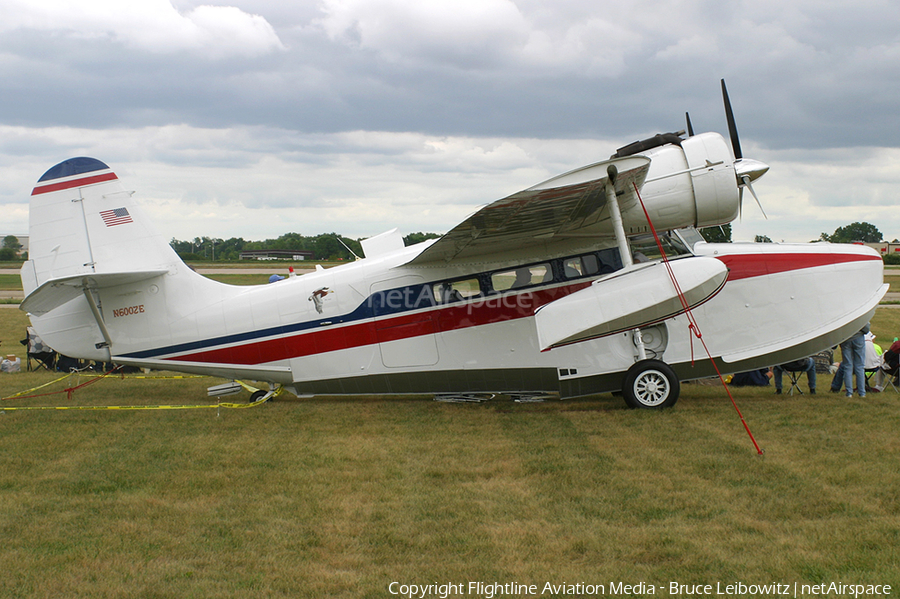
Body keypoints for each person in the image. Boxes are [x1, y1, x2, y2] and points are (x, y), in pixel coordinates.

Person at [843, 323, 870, 398]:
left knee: (847, 366)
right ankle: (862, 392)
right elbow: (866, 329)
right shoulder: (859, 313)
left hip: (846, 338)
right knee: (860, 366)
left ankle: (849, 393)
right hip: (858, 338)